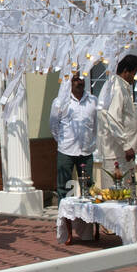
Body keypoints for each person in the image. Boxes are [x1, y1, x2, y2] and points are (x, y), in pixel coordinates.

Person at [96, 54, 137, 192]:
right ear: (126, 71)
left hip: (123, 152)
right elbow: (113, 118)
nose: (135, 77)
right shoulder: (117, 88)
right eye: (134, 73)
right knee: (116, 194)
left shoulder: (122, 86)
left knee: (127, 192)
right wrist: (126, 145)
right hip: (117, 152)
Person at [49, 72, 97, 202]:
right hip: (66, 151)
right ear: (69, 81)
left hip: (86, 152)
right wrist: (63, 142)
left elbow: (95, 126)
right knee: (64, 188)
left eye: (81, 79)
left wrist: (91, 144)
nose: (79, 82)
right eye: (75, 80)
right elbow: (53, 126)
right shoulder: (60, 102)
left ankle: (86, 219)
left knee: (88, 187)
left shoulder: (93, 101)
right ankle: (65, 221)